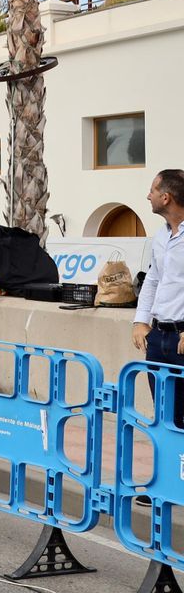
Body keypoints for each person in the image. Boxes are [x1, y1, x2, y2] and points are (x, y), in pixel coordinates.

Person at [133, 168, 184, 427]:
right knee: (164, 419)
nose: (148, 196)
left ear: (166, 197)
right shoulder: (162, 235)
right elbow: (153, 279)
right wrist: (141, 321)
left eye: (152, 190)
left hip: (182, 339)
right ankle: (170, 469)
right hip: (159, 340)